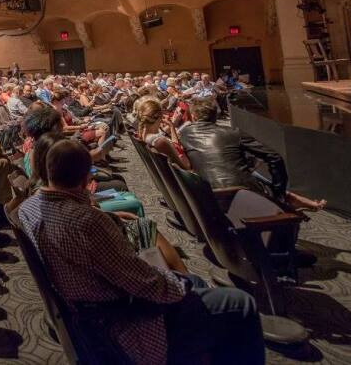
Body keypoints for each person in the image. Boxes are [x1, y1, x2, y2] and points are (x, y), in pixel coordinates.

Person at [19, 139, 264, 365]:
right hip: (122, 320)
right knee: (239, 302)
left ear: (48, 171)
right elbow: (146, 284)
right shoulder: (87, 222)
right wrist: (181, 284)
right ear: (85, 179)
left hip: (84, 311)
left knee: (196, 283)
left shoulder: (27, 208)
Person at [178, 99, 325, 212]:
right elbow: (274, 157)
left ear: (194, 116)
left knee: (244, 166)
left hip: (208, 197)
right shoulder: (234, 132)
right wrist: (278, 191)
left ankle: (288, 198)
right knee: (248, 169)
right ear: (215, 116)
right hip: (243, 194)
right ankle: (284, 198)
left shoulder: (184, 134)